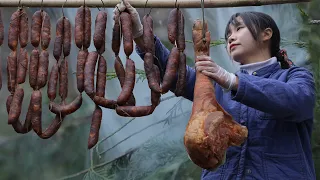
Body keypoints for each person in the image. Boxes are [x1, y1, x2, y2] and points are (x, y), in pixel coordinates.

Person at [113, 1, 316, 179]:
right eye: (227, 34)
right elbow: (173, 72)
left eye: (238, 29)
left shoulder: (295, 76)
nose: (230, 38)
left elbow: (297, 101)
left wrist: (232, 81)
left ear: (266, 34)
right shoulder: (215, 87)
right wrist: (139, 34)